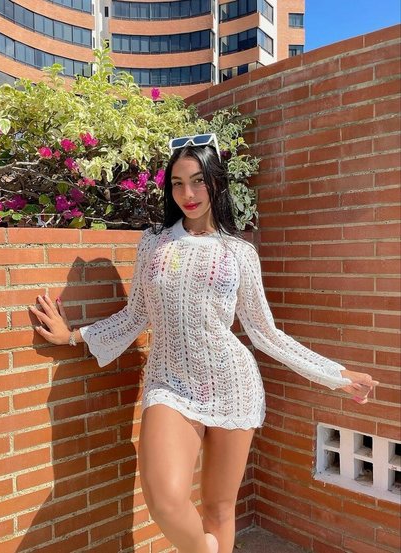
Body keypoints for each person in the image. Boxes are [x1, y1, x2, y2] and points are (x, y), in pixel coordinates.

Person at [30, 134, 379, 553]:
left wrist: (337, 375)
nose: (188, 194)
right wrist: (74, 337)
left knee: (218, 509)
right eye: (177, 183)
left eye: (198, 181)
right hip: (168, 384)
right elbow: (136, 314)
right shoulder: (155, 242)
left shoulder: (239, 253)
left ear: (216, 182)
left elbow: (265, 333)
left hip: (233, 385)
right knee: (165, 501)